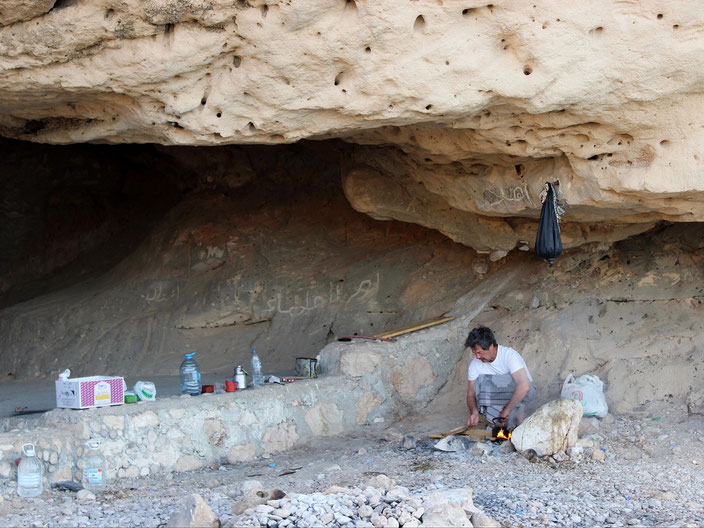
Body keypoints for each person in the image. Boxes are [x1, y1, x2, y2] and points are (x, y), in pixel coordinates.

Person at [465, 326, 535, 429]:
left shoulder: (509, 355)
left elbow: (524, 386)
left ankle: (518, 414)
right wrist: (474, 412)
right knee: (479, 384)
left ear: (491, 346)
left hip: (521, 395)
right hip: (499, 397)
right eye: (475, 353)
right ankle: (497, 421)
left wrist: (506, 411)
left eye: (480, 353)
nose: (477, 357)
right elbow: (471, 393)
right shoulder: (475, 364)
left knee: (510, 382)